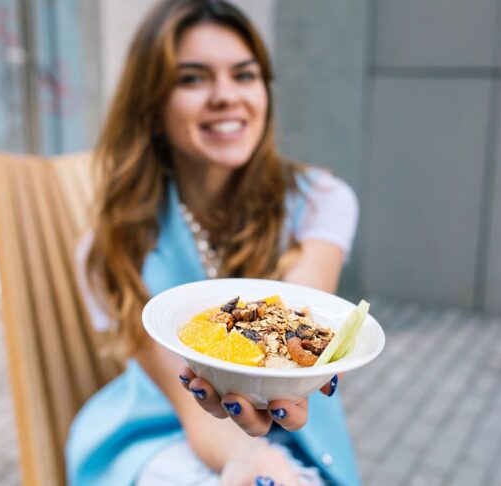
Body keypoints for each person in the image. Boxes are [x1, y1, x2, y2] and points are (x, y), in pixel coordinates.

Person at [66, 1, 360, 484]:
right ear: (152, 107)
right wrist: (249, 461)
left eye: (245, 76)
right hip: (157, 431)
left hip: (296, 430)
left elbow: (299, 330)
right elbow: (187, 401)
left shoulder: (321, 202)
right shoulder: (108, 249)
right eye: (193, 79)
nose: (227, 96)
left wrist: (294, 396)